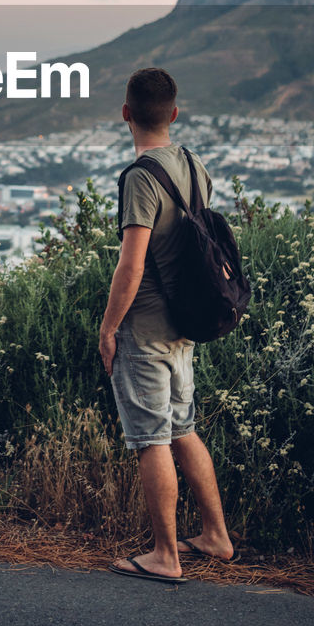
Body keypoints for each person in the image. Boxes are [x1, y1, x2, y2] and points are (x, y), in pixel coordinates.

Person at [99, 67, 235, 584]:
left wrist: (109, 328)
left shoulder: (140, 178)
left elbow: (131, 265)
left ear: (127, 114)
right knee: (183, 429)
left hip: (148, 330)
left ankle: (165, 555)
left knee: (151, 439)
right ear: (174, 114)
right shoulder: (195, 166)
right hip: (186, 322)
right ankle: (216, 536)